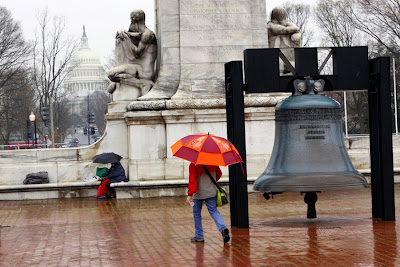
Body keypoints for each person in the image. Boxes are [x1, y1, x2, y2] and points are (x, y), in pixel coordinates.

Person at [108, 9, 157, 97]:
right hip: (137, 68)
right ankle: (119, 82)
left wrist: (126, 38)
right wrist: (122, 33)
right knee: (119, 38)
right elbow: (130, 34)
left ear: (133, 20)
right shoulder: (142, 33)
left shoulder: (147, 34)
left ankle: (142, 84)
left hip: (144, 71)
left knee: (111, 74)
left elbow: (137, 53)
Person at [186, 163, 230, 243]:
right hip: (211, 192)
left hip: (198, 194)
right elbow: (219, 175)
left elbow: (192, 180)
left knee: (197, 214)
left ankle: (199, 236)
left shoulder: (194, 164)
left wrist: (189, 194)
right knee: (214, 211)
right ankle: (223, 228)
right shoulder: (213, 162)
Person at [267, 6, 301, 74]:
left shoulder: (287, 26)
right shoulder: (270, 26)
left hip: (286, 59)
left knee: (300, 67)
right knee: (279, 67)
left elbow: (294, 29)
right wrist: (297, 30)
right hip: (274, 59)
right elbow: (283, 30)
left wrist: (297, 34)